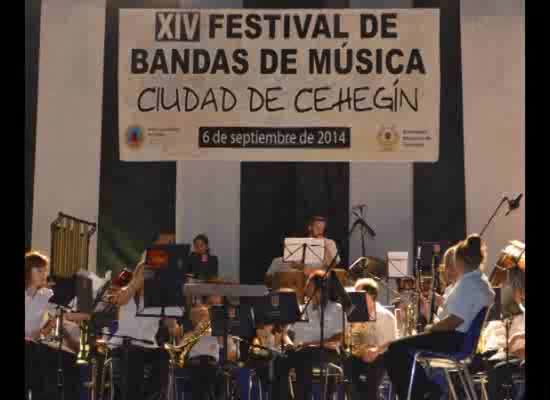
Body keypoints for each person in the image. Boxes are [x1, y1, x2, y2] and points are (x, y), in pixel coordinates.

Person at [382, 234, 495, 400]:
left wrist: (431, 328)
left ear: (459, 261)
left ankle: (424, 391)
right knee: (399, 349)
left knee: (394, 349)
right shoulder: (481, 281)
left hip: (454, 340)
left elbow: (454, 321)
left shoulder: (468, 283)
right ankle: (424, 390)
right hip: (460, 340)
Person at [110, 257, 183, 400]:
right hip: (125, 345)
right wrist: (136, 283)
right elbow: (119, 300)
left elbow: (172, 327)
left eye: (149, 273)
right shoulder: (127, 291)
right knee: (133, 358)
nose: (146, 277)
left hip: (149, 346)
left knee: (163, 356)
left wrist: (172, 312)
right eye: (143, 273)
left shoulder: (158, 296)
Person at [24, 250, 89, 400]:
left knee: (41, 389)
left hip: (34, 349)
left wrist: (86, 297)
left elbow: (81, 314)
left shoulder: (47, 295)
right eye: (39, 270)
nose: (43, 274)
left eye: (45, 271)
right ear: (27, 272)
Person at [272, 270, 344, 400]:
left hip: (326, 351)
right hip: (300, 350)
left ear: (320, 289)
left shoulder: (336, 309)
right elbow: (287, 332)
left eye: (309, 286)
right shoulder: (301, 308)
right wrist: (288, 342)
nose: (306, 289)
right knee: (279, 360)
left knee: (304, 355)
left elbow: (338, 338)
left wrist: (310, 344)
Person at [345, 278, 398, 400]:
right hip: (358, 354)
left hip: (380, 356)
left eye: (358, 294)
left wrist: (376, 351)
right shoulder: (353, 314)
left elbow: (392, 343)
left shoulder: (385, 316)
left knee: (369, 385)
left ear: (370, 295)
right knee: (352, 378)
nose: (354, 298)